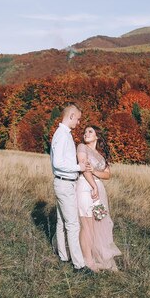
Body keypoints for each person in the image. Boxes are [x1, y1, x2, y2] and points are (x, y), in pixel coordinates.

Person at [50, 103, 91, 272]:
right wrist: (78, 168)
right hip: (64, 183)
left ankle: (63, 256)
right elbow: (57, 163)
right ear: (71, 116)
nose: (79, 123)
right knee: (73, 224)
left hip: (63, 182)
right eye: (78, 119)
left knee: (61, 222)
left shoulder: (63, 134)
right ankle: (79, 265)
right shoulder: (61, 135)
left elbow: (62, 161)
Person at [76, 125, 121, 271]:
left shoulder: (100, 155)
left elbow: (108, 174)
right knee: (87, 224)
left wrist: (95, 172)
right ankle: (87, 261)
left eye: (90, 131)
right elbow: (84, 169)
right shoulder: (82, 147)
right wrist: (93, 185)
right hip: (85, 187)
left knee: (99, 223)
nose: (86, 134)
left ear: (97, 136)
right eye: (85, 131)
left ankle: (95, 257)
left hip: (98, 191)